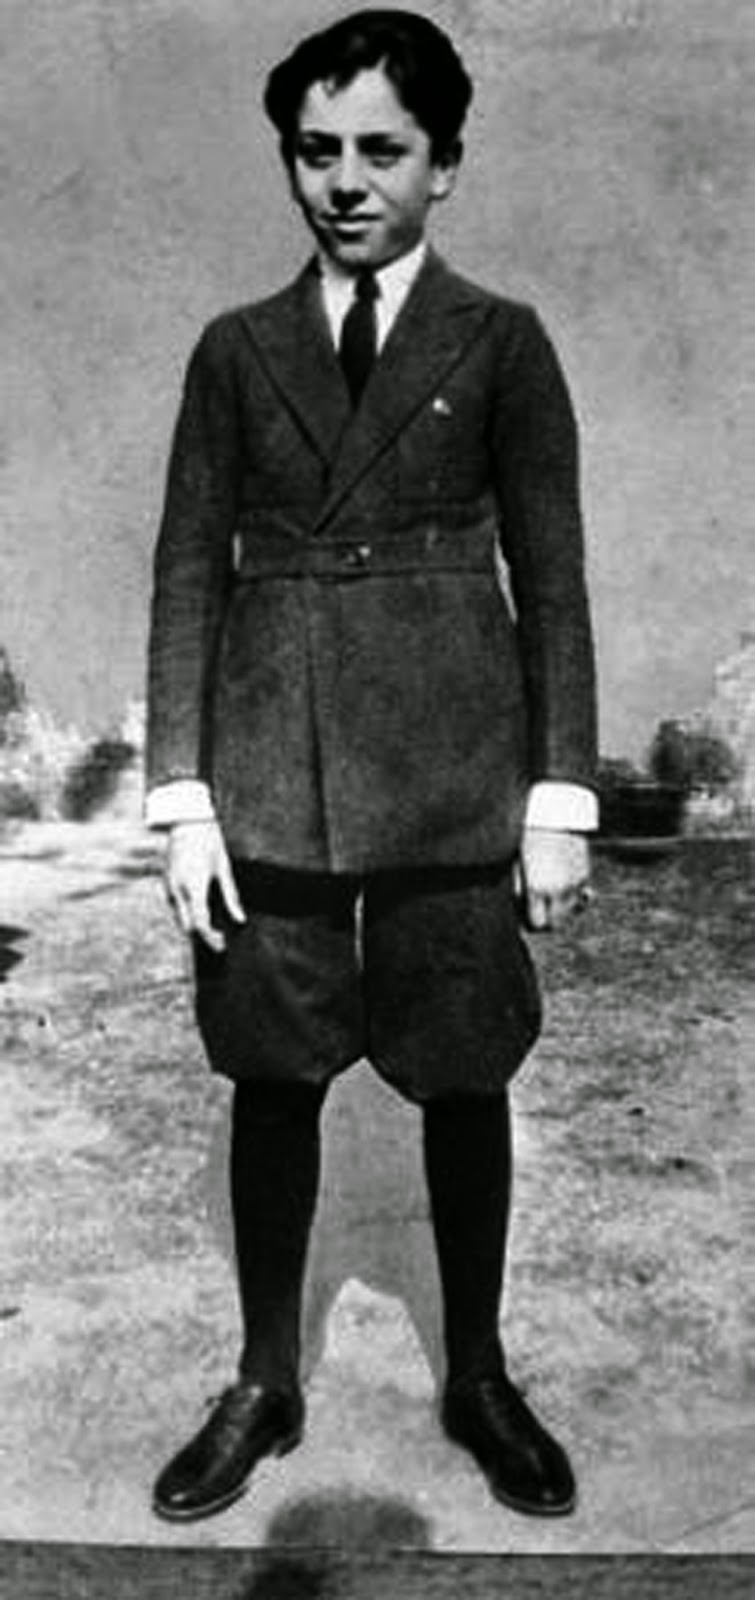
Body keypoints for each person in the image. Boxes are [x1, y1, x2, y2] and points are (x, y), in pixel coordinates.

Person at [145, 8, 598, 1525]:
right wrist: (182, 795)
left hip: (453, 772)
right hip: (271, 764)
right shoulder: (235, 352)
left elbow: (555, 580)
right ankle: (265, 1380)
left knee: (465, 1068)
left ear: (444, 165)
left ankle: (478, 1374)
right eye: (316, 150)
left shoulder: (503, 341)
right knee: (271, 1072)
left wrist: (557, 797)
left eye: (383, 151)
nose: (346, 182)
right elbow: (186, 575)